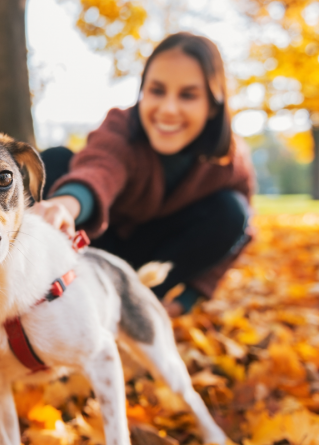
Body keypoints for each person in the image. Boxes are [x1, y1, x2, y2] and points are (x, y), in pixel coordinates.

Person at [33, 32, 256, 316]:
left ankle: (137, 309)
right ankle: (48, 289)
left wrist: (187, 300)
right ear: (142, 91)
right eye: (157, 90)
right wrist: (65, 205)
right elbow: (100, 169)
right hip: (95, 247)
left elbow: (242, 233)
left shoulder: (229, 163)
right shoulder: (121, 127)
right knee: (55, 160)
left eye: (188, 95)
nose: (168, 109)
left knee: (233, 210)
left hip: (153, 265)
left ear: (213, 104)